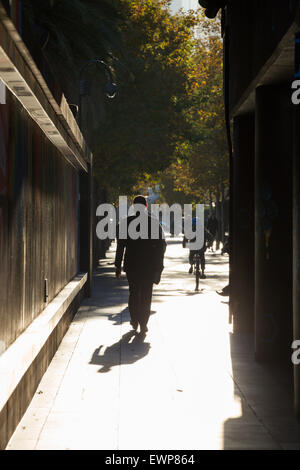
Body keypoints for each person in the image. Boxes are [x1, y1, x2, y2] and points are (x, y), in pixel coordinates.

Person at [115, 195, 166, 336]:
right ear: (146, 206)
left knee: (133, 291)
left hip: (131, 264)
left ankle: (134, 319)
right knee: (146, 294)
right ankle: (144, 323)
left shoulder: (125, 223)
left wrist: (117, 266)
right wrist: (159, 266)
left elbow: (120, 247)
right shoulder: (154, 223)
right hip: (149, 266)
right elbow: (161, 246)